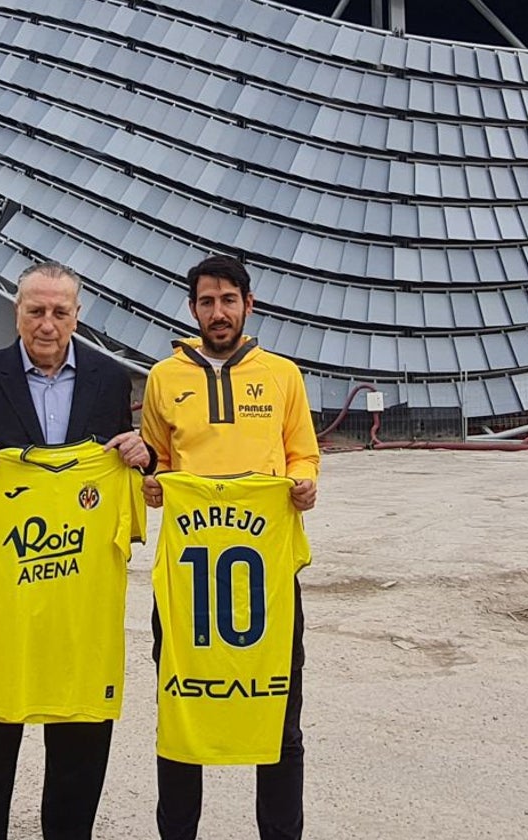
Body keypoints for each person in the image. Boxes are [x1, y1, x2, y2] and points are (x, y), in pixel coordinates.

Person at [0, 260, 153, 840]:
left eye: (60, 311)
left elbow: (130, 464)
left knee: (79, 736)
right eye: (36, 311)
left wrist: (140, 454)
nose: (48, 324)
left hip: (79, 597)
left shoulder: (110, 380)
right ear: (18, 313)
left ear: (77, 314)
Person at [140, 254, 320, 840]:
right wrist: (152, 486)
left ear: (249, 303)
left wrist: (304, 482)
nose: (218, 313)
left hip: (266, 571)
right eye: (206, 302)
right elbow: (159, 462)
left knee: (277, 709)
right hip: (188, 577)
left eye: (228, 300)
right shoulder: (164, 378)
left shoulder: (283, 375)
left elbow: (303, 451)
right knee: (182, 707)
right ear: (192, 309)